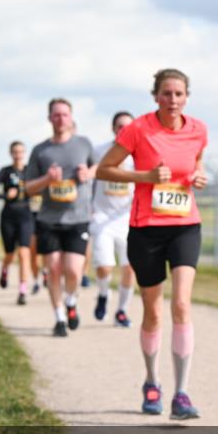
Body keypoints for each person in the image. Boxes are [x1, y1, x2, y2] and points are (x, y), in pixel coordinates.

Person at [96, 69, 208, 419]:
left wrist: (198, 175)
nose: (172, 100)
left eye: (178, 94)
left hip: (185, 225)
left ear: (187, 96)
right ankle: (152, 381)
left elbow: (195, 162)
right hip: (146, 228)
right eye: (166, 94)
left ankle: (182, 393)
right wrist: (142, 176)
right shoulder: (138, 129)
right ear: (155, 96)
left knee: (182, 306)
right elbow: (104, 169)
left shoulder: (198, 130)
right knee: (154, 312)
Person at [24, 98, 97, 337]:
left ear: (71, 117)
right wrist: (47, 180)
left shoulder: (84, 144)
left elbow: (100, 168)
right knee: (53, 268)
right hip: (49, 219)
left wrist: (88, 173)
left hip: (78, 218)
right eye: (56, 115)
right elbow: (28, 188)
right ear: (49, 118)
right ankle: (59, 318)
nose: (60, 119)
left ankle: (71, 301)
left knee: (74, 270)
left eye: (64, 114)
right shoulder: (40, 150)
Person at [90, 111, 137, 327]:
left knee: (129, 267)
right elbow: (89, 177)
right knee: (104, 266)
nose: (124, 130)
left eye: (128, 127)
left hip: (128, 218)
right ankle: (103, 294)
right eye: (120, 126)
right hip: (102, 217)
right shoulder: (100, 151)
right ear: (113, 128)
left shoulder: (138, 154)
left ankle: (122, 310)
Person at [0, 141, 37, 304]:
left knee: (24, 253)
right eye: (15, 152)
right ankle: (4, 269)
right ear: (11, 153)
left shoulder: (30, 171)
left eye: (21, 152)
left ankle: (22, 291)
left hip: (25, 215)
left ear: (24, 153)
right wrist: (5, 195)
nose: (18, 155)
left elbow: (39, 188)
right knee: (10, 254)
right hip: (8, 215)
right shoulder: (5, 171)